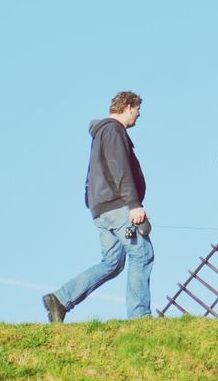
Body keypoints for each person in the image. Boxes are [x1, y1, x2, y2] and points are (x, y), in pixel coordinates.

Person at [43, 90, 154, 322]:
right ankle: (139, 316)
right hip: (117, 205)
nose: (139, 116)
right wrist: (133, 205)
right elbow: (118, 167)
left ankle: (61, 299)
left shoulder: (101, 133)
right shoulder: (113, 131)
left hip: (101, 208)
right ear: (129, 107)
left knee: (112, 263)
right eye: (138, 110)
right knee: (142, 254)